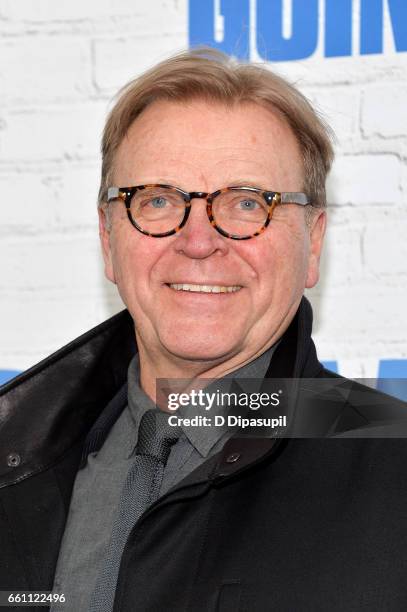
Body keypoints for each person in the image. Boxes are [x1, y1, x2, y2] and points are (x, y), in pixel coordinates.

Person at [0, 48, 406, 612]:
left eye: (246, 203)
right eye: (158, 199)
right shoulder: (20, 460)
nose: (197, 241)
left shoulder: (393, 466)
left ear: (312, 243)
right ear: (107, 238)